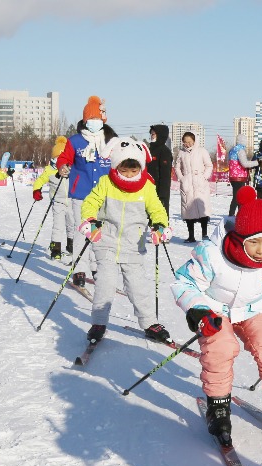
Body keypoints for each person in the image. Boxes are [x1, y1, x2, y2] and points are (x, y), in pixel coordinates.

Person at [171, 186, 262, 445]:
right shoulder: (213, 254)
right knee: (221, 347)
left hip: (253, 308)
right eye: (254, 242)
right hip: (214, 309)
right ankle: (218, 405)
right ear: (240, 236)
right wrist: (198, 310)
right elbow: (184, 283)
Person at [79, 137, 173, 344]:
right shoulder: (106, 182)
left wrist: (160, 225)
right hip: (107, 242)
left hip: (134, 245)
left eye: (134, 170)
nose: (129, 175)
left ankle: (149, 322)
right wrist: (90, 220)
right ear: (116, 166)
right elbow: (91, 202)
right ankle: (99, 322)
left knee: (137, 287)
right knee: (105, 283)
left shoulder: (146, 187)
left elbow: (157, 209)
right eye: (124, 170)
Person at [55, 96, 117, 283]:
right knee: (82, 230)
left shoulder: (110, 140)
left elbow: (120, 161)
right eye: (90, 120)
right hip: (81, 192)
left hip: (105, 194)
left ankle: (97, 266)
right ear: (84, 121)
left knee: (102, 231)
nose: (94, 123)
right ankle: (79, 269)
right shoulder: (75, 141)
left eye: (97, 119)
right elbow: (63, 158)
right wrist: (63, 166)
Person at [32, 136, 74, 259]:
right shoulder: (49, 170)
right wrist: (36, 190)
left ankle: (71, 244)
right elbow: (40, 180)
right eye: (57, 157)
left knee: (72, 224)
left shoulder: (72, 169)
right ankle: (56, 248)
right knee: (58, 226)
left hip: (72, 201)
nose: (59, 160)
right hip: (58, 202)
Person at [174, 132, 213, 243]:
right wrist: (182, 178)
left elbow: (209, 165)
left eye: (189, 142)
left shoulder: (201, 151)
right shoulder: (181, 153)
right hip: (187, 184)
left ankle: (204, 235)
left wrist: (204, 177)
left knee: (202, 210)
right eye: (185, 142)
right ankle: (191, 236)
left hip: (199, 183)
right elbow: (177, 167)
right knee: (188, 209)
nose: (187, 144)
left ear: (194, 141)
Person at [227, 134, 258, 214]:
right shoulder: (240, 150)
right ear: (243, 141)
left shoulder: (232, 150)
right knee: (239, 197)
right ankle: (234, 214)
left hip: (233, 176)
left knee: (236, 196)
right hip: (239, 177)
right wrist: (257, 163)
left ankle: (234, 213)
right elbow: (245, 164)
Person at [148, 124, 173, 217]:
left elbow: (165, 175)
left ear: (161, 135)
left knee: (159, 215)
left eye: (154, 134)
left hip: (159, 189)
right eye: (151, 134)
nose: (151, 136)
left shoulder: (164, 151)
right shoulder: (150, 149)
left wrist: (163, 194)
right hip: (148, 188)